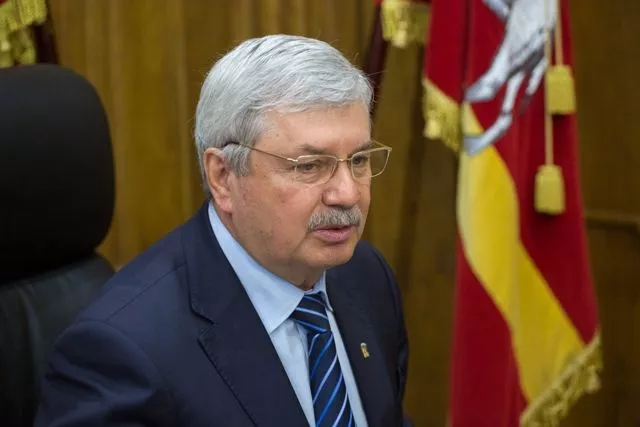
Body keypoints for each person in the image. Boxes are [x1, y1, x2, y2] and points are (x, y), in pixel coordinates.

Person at [35, 34, 410, 427]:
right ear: (223, 176)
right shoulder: (123, 353)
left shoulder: (366, 276)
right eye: (309, 166)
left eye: (359, 160)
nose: (348, 194)